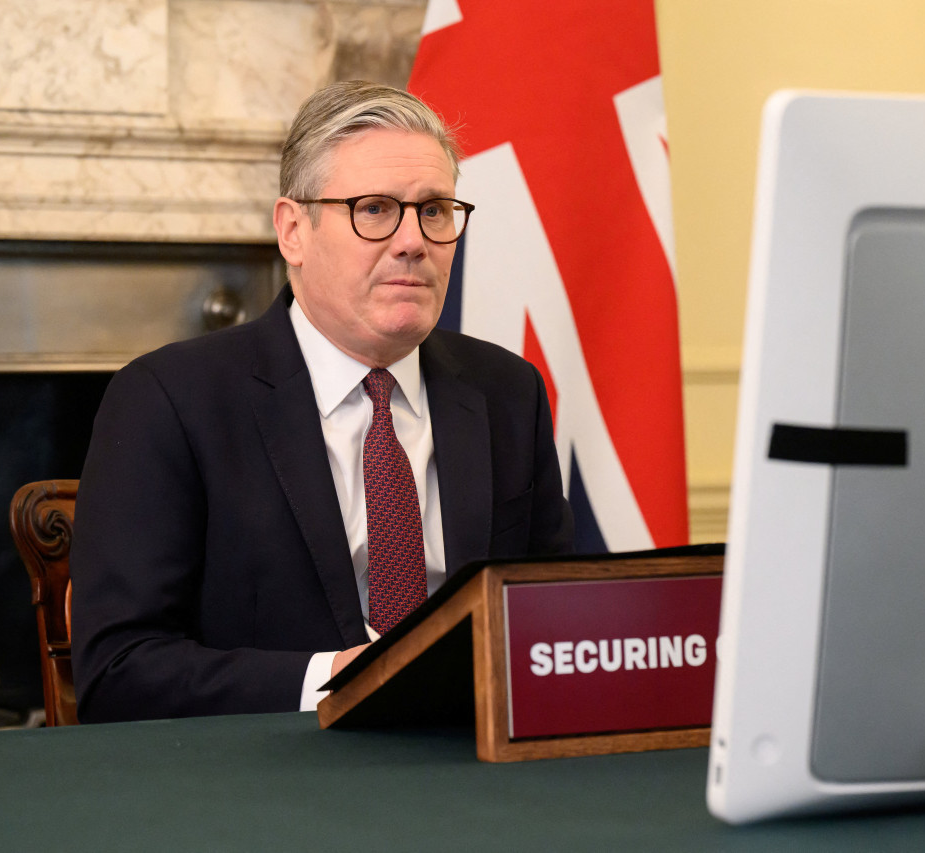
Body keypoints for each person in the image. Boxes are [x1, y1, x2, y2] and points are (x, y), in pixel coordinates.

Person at [70, 81, 574, 723]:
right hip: (265, 786)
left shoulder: (507, 393)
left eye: (435, 210)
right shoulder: (169, 401)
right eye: (373, 209)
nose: (413, 241)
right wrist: (345, 679)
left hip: (474, 773)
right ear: (292, 231)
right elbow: (119, 672)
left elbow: (556, 627)